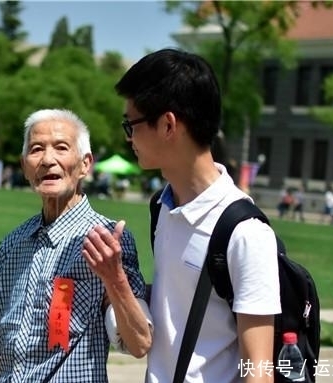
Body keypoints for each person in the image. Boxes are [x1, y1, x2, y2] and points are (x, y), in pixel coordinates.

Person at [0, 109, 152, 383]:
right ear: (24, 166)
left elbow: (138, 343)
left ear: (85, 164)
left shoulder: (107, 240)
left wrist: (114, 278)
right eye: (36, 149)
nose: (47, 159)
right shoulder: (13, 244)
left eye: (61, 148)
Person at [113, 48, 281, 382]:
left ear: (167, 125)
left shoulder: (246, 233)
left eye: (130, 124)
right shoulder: (162, 207)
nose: (128, 136)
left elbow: (259, 372)